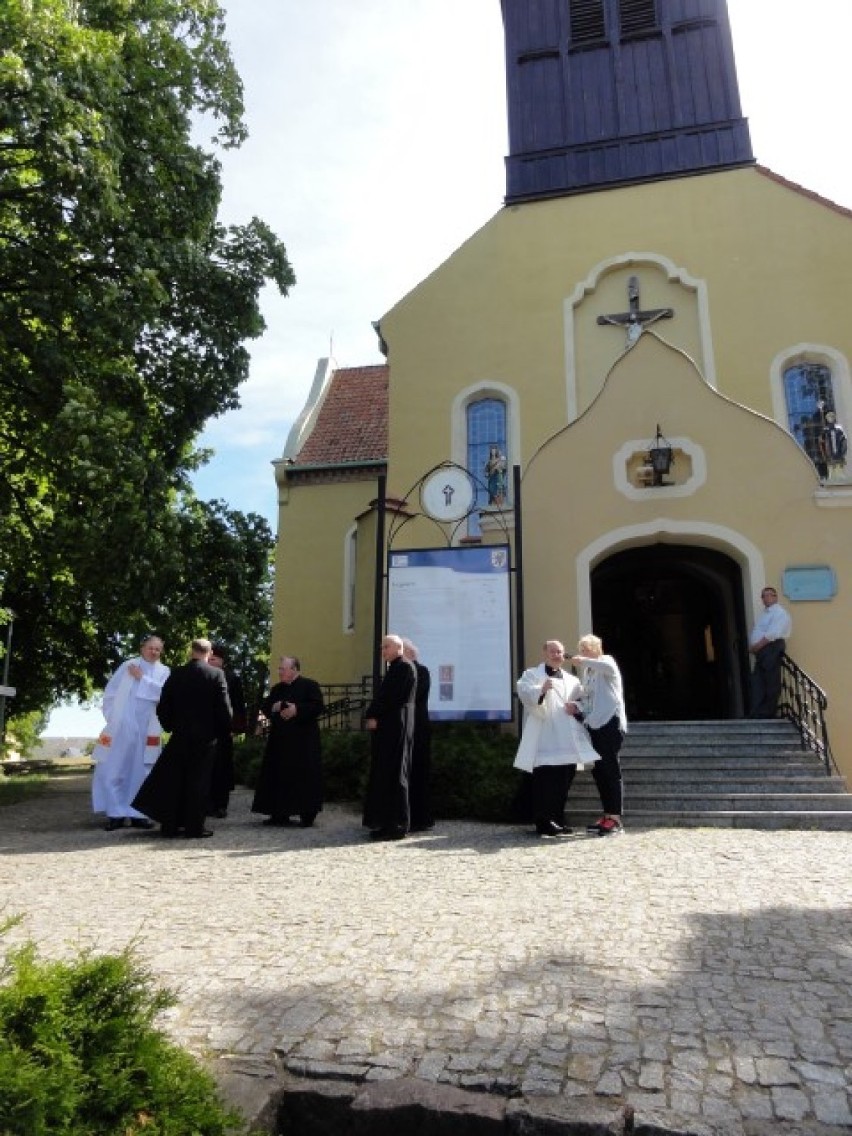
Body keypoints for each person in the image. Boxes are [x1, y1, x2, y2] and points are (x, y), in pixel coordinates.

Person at [132, 638, 232, 838]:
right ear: (209, 653)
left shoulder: (176, 674)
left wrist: (171, 727)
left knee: (174, 781)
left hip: (180, 736)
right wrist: (222, 731)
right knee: (199, 783)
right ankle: (194, 827)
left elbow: (163, 706)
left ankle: (170, 825)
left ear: (191, 652)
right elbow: (224, 709)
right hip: (205, 739)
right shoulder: (216, 674)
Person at [514, 640, 599, 838]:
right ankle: (544, 822)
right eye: (552, 651)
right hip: (545, 737)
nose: (556, 655)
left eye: (560, 651)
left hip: (567, 738)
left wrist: (576, 707)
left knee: (564, 781)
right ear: (545, 653)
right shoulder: (532, 675)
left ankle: (558, 820)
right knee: (545, 782)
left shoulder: (572, 680)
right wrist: (541, 690)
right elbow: (524, 692)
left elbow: (583, 701)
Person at [91, 634, 170, 831]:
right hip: (122, 726)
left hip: (148, 728)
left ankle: (138, 814)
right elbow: (110, 693)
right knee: (114, 768)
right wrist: (114, 718)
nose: (154, 652)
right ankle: (115, 813)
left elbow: (165, 694)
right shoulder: (128, 666)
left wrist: (142, 679)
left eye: (158, 649)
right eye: (151, 648)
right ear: (142, 648)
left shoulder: (163, 671)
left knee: (142, 771)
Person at [251, 655, 325, 827]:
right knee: (278, 776)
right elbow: (266, 709)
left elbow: (317, 707)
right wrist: (274, 707)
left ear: (294, 669)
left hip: (303, 743)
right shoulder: (277, 689)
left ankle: (306, 815)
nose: (279, 672)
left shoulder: (310, 685)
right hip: (280, 742)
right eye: (279, 669)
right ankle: (279, 813)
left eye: (283, 669)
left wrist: (297, 709)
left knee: (304, 777)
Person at [571, 634, 628, 837]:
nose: (583, 652)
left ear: (597, 648)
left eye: (586, 648)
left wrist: (584, 660)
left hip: (610, 723)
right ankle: (607, 814)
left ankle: (616, 819)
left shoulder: (606, 661)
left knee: (611, 770)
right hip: (594, 725)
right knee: (600, 771)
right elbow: (588, 700)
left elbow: (608, 669)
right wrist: (577, 708)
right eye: (581, 648)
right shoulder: (588, 672)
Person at [362, 634, 417, 841]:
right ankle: (386, 822)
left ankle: (396, 825)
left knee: (394, 774)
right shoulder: (396, 667)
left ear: (398, 648)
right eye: (382, 647)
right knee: (387, 773)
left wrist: (372, 713)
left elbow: (389, 698)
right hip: (392, 726)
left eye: (386, 647)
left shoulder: (403, 667)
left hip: (395, 726)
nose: (382, 651)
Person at [208, 643, 247, 819]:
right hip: (206, 731)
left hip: (224, 731)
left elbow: (239, 706)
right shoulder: (203, 675)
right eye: (209, 657)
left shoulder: (231, 678)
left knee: (222, 769)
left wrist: (235, 728)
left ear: (222, 661)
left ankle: (220, 805)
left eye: (213, 658)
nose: (210, 660)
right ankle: (205, 803)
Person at [402, 638, 433, 831]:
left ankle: (419, 818)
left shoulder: (421, 671)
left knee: (418, 773)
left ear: (411, 654)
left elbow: (410, 697)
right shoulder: (400, 671)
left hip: (418, 728)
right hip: (404, 727)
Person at [748, 586, 792, 719]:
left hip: (771, 648)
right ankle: (757, 712)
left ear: (775, 597)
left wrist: (757, 646)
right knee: (758, 681)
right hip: (763, 651)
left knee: (770, 681)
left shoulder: (779, 613)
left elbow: (772, 633)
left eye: (769, 595)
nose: (766, 598)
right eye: (763, 596)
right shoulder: (765, 614)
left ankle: (768, 712)